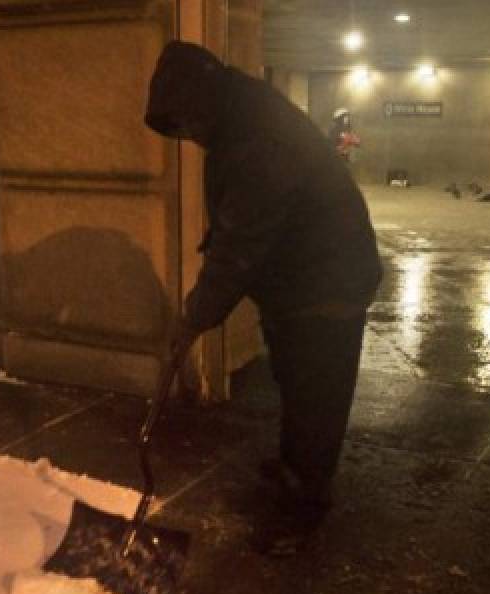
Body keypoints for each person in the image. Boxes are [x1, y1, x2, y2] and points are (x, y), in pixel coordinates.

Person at [144, 41, 382, 518]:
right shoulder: (238, 117)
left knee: (317, 391)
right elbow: (239, 220)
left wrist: (194, 319)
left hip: (326, 279)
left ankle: (304, 505)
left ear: (203, 99)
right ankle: (295, 466)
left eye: (188, 122)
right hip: (300, 276)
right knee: (296, 380)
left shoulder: (257, 138)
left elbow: (241, 243)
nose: (189, 135)